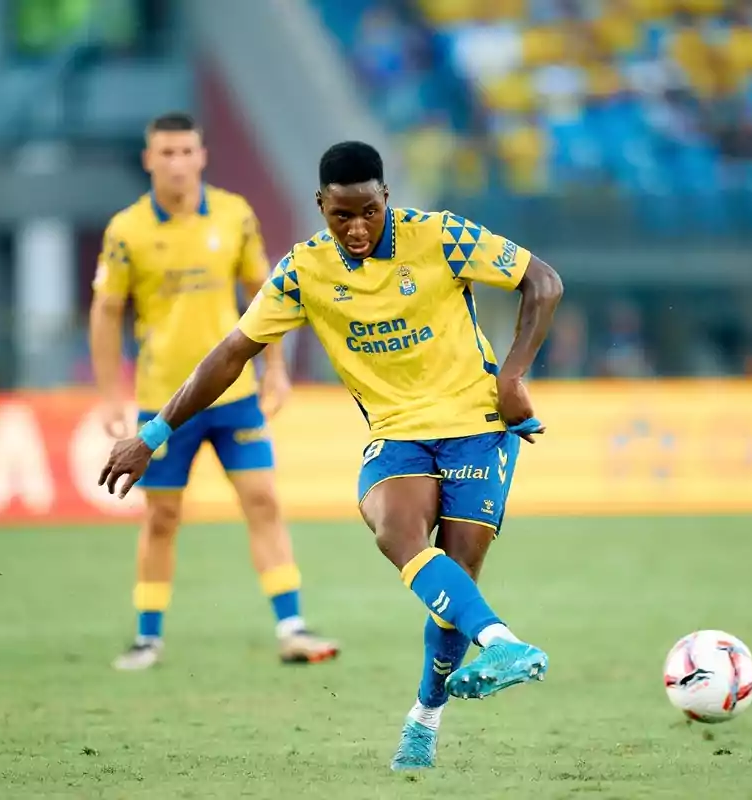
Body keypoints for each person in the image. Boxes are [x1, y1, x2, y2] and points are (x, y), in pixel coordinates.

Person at [98, 141, 564, 771]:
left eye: (369, 212)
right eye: (341, 215)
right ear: (320, 205)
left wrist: (511, 379)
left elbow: (544, 281)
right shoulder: (303, 271)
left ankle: (423, 721)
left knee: (455, 580)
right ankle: (503, 643)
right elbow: (232, 352)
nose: (357, 228)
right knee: (395, 530)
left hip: (476, 425)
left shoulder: (441, 236)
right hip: (397, 432)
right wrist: (153, 434)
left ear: (386, 199)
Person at [90, 112, 339, 670]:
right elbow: (106, 313)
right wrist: (110, 395)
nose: (177, 162)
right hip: (165, 401)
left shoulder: (234, 216)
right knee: (161, 516)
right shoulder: (126, 231)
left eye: (186, 151)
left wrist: (275, 369)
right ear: (148, 159)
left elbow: (266, 294)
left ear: (203, 156)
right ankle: (148, 637)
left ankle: (292, 626)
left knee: (264, 500)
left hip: (234, 397)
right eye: (166, 152)